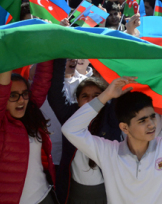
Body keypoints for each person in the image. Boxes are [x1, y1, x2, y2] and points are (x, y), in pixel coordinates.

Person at [61, 56, 162, 204]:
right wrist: (106, 95)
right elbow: (70, 130)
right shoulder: (108, 152)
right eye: (142, 120)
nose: (151, 125)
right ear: (124, 127)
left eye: (152, 117)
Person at [48, 59, 116, 204]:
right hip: (73, 193)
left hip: (106, 193)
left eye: (97, 96)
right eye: (85, 96)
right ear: (77, 100)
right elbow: (55, 93)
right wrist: (61, 57)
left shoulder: (111, 116)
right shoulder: (70, 116)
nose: (90, 101)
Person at [0, 61, 56, 204]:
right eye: (13, 95)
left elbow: (42, 81)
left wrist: (45, 47)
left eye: (24, 94)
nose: (21, 100)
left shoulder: (30, 114)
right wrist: (8, 55)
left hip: (44, 196)